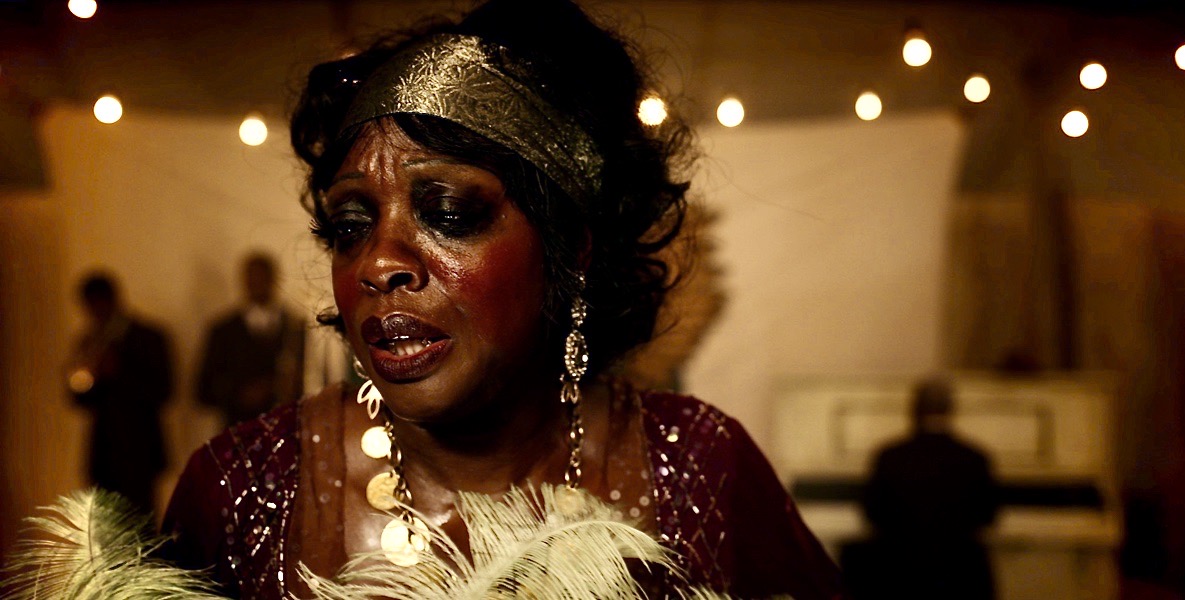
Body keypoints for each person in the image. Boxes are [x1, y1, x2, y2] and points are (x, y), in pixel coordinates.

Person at [160, 1, 844, 597]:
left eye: (450, 212)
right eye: (350, 226)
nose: (379, 263)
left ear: (570, 246)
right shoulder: (241, 492)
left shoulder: (699, 470)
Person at [843, 378, 999, 599]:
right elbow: (988, 517)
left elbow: (872, 515)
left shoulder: (889, 456)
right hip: (960, 577)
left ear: (914, 409)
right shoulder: (975, 457)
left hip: (901, 575)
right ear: (951, 409)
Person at [67, 272, 173, 515]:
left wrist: (119, 373)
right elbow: (78, 399)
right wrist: (84, 379)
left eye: (98, 304)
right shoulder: (88, 341)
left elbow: (164, 391)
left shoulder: (149, 337)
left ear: (113, 300)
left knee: (142, 528)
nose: (95, 313)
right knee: (105, 530)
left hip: (140, 450)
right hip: (103, 454)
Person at [196, 252, 307, 427]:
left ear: (274, 279)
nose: (257, 283)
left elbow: (309, 379)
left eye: (262, 277)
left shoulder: (296, 328)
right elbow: (203, 391)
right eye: (252, 278)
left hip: (286, 430)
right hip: (238, 432)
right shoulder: (222, 330)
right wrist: (240, 394)